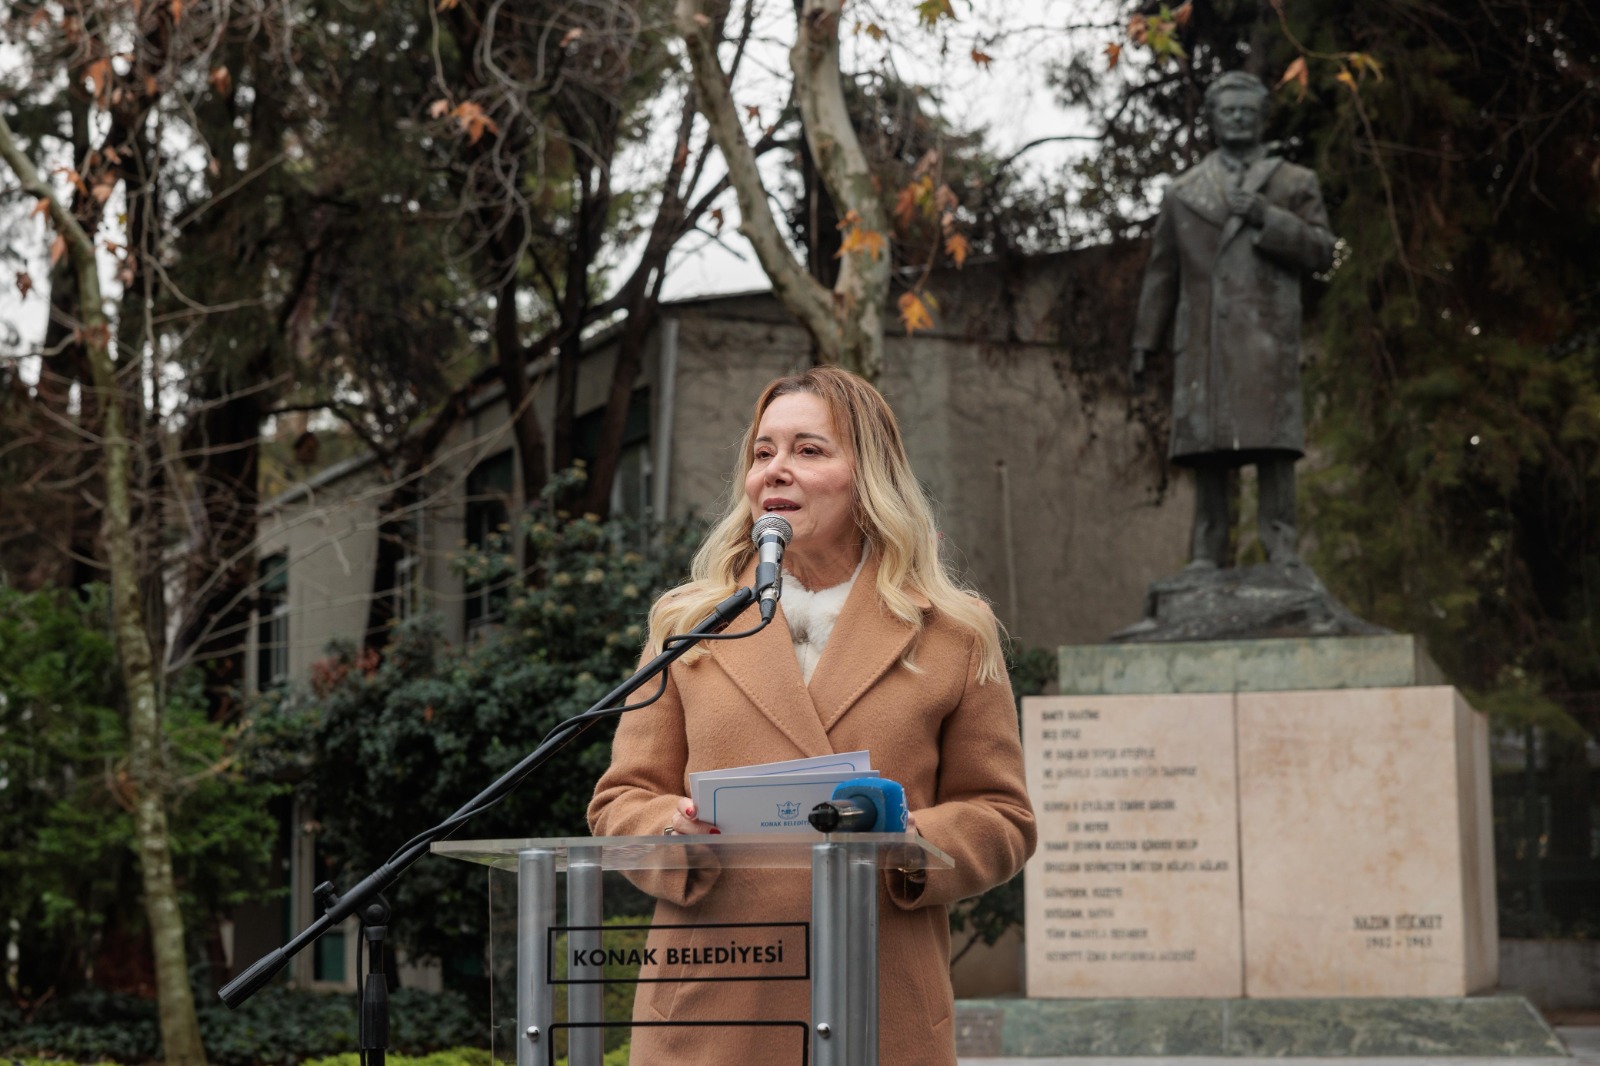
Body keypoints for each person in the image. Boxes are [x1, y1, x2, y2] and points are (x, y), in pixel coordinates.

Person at [589, 366, 1036, 1066]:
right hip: (711, 1009)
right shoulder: (689, 625)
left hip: (878, 1006)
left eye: (808, 450)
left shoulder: (954, 630)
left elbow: (1003, 817)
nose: (776, 472)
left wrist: (913, 838)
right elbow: (620, 801)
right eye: (762, 453)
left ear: (869, 476)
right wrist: (669, 830)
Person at [1131, 70, 1336, 568]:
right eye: (1229, 111)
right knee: (1208, 449)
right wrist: (1145, 342)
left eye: (1248, 110)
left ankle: (1281, 547)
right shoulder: (1184, 191)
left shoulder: (1293, 181)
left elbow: (1323, 251)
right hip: (1204, 338)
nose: (1239, 118)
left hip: (1267, 338)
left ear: (1263, 118)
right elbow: (1163, 272)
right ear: (1214, 120)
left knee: (1272, 448)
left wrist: (1269, 216)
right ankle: (1207, 549)